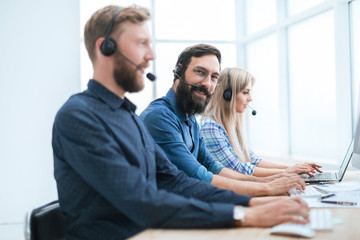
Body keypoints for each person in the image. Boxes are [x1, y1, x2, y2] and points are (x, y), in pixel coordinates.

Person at [52, 5, 310, 240]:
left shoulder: (129, 117)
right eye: (142, 43)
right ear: (104, 47)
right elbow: (140, 200)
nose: (150, 55)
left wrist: (250, 203)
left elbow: (176, 181)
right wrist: (245, 214)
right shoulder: (80, 117)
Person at [140, 44, 308, 197]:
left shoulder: (190, 117)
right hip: (163, 213)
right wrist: (266, 186)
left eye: (214, 77)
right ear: (179, 70)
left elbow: (212, 166)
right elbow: (199, 175)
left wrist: (270, 180)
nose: (207, 83)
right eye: (200, 72)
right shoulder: (160, 117)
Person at [200, 67, 322, 177]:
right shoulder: (210, 127)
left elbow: (253, 160)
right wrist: (287, 172)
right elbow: (237, 170)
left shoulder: (231, 125)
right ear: (227, 95)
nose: (250, 98)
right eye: (245, 92)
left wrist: (295, 168)